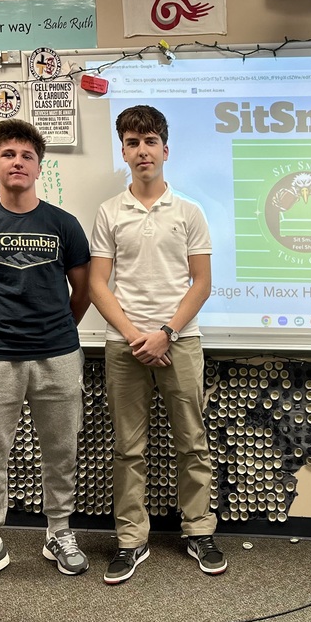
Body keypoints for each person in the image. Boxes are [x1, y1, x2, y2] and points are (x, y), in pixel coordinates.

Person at [0, 119, 90, 597]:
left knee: (61, 450)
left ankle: (58, 534)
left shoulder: (63, 224)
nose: (18, 162)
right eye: (8, 155)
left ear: (39, 166)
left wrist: (56, 330)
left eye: (27, 156)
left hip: (58, 356)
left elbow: (83, 290)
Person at [90, 105, 224, 585]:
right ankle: (131, 539)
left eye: (149, 142)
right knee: (128, 448)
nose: (141, 150)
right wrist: (135, 337)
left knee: (192, 442)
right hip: (123, 345)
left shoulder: (189, 211)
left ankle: (198, 530)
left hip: (180, 341)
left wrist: (164, 333)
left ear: (165, 150)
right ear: (123, 151)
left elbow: (202, 283)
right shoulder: (109, 212)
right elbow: (98, 285)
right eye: (132, 142)